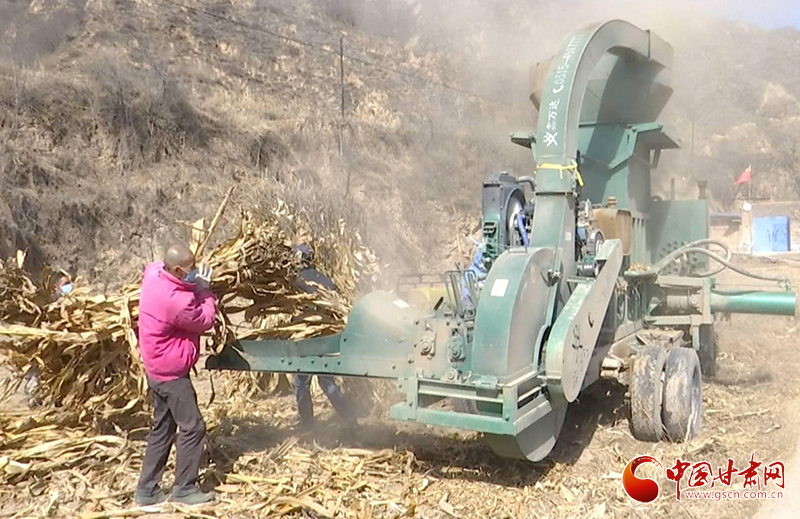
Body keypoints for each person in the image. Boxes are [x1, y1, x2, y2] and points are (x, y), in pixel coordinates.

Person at [134, 243, 216, 506]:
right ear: (179, 270)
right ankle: (185, 489)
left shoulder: (153, 274)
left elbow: (156, 268)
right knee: (193, 427)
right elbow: (204, 320)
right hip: (171, 374)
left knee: (162, 428)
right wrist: (204, 290)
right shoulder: (177, 302)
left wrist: (190, 284)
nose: (195, 272)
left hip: (155, 369)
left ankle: (146, 490)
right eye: (191, 269)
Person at [292, 244, 354, 428]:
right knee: (326, 380)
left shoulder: (297, 281)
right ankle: (349, 416)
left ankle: (307, 423)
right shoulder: (325, 279)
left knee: (302, 382)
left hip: (308, 340)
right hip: (327, 339)